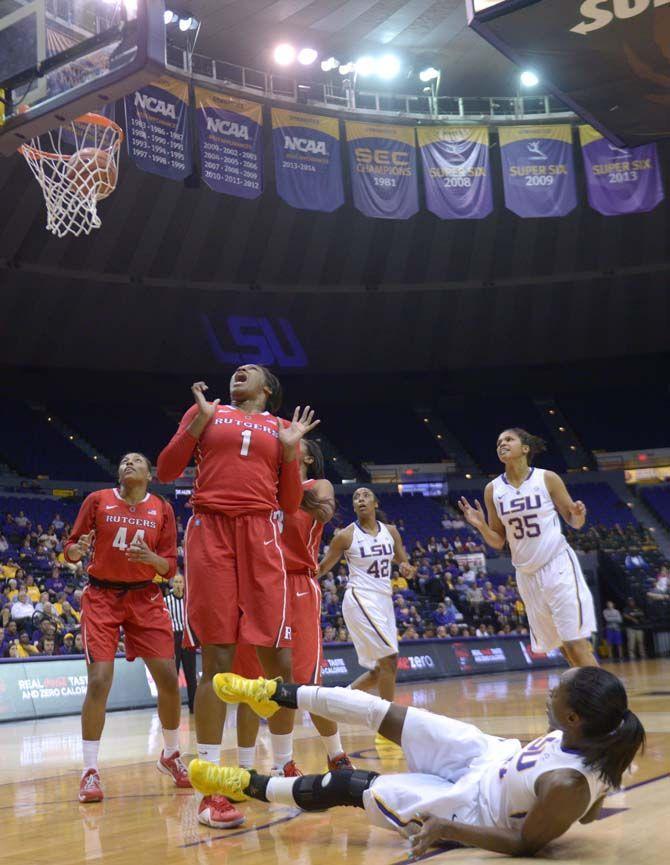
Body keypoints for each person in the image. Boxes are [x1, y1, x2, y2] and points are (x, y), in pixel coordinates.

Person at [190, 666, 644, 858]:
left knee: (354, 785)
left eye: (555, 693)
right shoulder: (589, 735)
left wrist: (447, 830)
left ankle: (244, 784)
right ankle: (271, 693)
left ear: (572, 716)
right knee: (382, 712)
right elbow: (584, 817)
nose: (548, 693)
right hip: (490, 754)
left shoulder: (569, 783)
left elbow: (526, 843)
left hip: (470, 807)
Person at [156, 369, 319, 829]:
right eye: (235, 371)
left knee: (278, 660)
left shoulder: (281, 428)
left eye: (250, 371)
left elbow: (288, 504)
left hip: (261, 533)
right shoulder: (206, 412)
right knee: (218, 659)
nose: (238, 373)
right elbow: (167, 471)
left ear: (267, 389)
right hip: (211, 529)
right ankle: (211, 791)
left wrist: (290, 452)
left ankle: (286, 768)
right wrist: (196, 424)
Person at [64, 452, 189, 804]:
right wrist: (78, 549)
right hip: (102, 596)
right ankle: (89, 771)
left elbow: (168, 567)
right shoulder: (97, 500)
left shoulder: (162, 508)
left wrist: (152, 560)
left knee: (167, 677)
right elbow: (70, 550)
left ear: (149, 474)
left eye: (136, 461)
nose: (128, 463)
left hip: (145, 598)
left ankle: (171, 754)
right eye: (123, 461)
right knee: (100, 680)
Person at [234, 438, 354, 776]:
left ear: (310, 458)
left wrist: (282, 486)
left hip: (297, 583)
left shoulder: (319, 485)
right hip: (258, 586)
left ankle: (336, 754)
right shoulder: (264, 484)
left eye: (296, 442)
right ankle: (270, 765)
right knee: (253, 683)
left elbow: (324, 511)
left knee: (306, 683)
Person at [458, 429, 597, 667]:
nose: (502, 444)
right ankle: (588, 700)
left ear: (525, 448)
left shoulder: (547, 478)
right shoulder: (493, 489)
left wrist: (578, 515)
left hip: (557, 564)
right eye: (499, 442)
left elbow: (574, 523)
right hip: (526, 575)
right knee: (562, 647)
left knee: (576, 643)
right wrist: (481, 526)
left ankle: (609, 704)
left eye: (508, 439)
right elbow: (498, 541)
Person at [316, 488, 414, 739]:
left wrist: (406, 568)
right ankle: (388, 726)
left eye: (365, 496)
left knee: (379, 671)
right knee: (390, 660)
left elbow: (403, 562)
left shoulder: (390, 532)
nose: (360, 499)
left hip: (383, 601)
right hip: (359, 599)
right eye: (356, 497)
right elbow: (325, 566)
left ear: (375, 502)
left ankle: (335, 704)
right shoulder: (346, 536)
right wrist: (300, 576)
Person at [164, 573, 197, 714]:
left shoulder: (189, 600)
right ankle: (172, 708)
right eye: (176, 582)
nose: (178, 584)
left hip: (188, 638)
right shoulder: (166, 601)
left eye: (180, 582)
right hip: (174, 639)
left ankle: (194, 707)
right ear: (172, 584)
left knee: (191, 676)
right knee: (173, 675)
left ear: (184, 585)